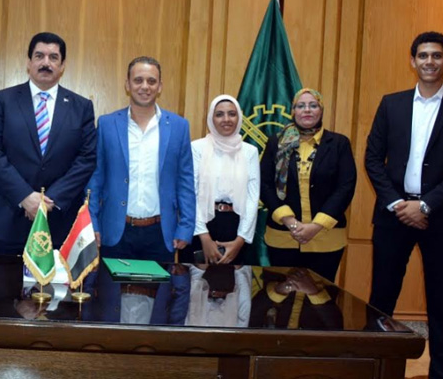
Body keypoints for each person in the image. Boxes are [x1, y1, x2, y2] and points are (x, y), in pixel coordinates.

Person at [365, 31, 443, 379]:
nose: (430, 61)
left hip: (438, 218)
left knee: (440, 301)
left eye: (437, 55)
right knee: (381, 298)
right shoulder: (391, 104)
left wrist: (425, 206)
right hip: (393, 215)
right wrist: (398, 203)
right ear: (413, 61)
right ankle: (374, 370)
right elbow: (372, 158)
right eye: (423, 55)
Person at [0, 32, 97, 254]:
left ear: (62, 65)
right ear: (29, 62)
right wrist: (25, 196)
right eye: (39, 56)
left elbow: (86, 158)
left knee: (57, 278)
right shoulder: (2, 100)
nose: (46, 63)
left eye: (53, 57)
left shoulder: (81, 107)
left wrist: (49, 201)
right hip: (9, 216)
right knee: (2, 277)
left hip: (59, 221)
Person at [86, 56, 195, 262]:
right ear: (127, 85)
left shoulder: (179, 127)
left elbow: (185, 181)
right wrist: (92, 222)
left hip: (162, 234)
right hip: (116, 232)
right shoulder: (107, 124)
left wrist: (186, 226)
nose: (145, 86)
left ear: (160, 86)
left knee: (161, 284)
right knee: (110, 284)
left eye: (151, 81)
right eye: (138, 80)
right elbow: (95, 179)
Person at [260, 88, 356, 282]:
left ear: (321, 110)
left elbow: (345, 187)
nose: (307, 110)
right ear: (293, 111)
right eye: (301, 106)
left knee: (320, 296)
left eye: (313, 105)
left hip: (326, 238)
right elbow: (264, 184)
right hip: (283, 237)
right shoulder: (276, 143)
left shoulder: (339, 143)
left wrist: (316, 225)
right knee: (280, 296)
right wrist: (291, 222)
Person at [187, 95, 259, 265]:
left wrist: (240, 239)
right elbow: (191, 194)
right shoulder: (197, 148)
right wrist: (204, 236)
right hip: (200, 224)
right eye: (219, 114)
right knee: (198, 279)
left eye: (232, 114)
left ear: (239, 117)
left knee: (234, 279)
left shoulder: (250, 151)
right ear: (211, 118)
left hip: (237, 226)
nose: (226, 119)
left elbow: (252, 197)